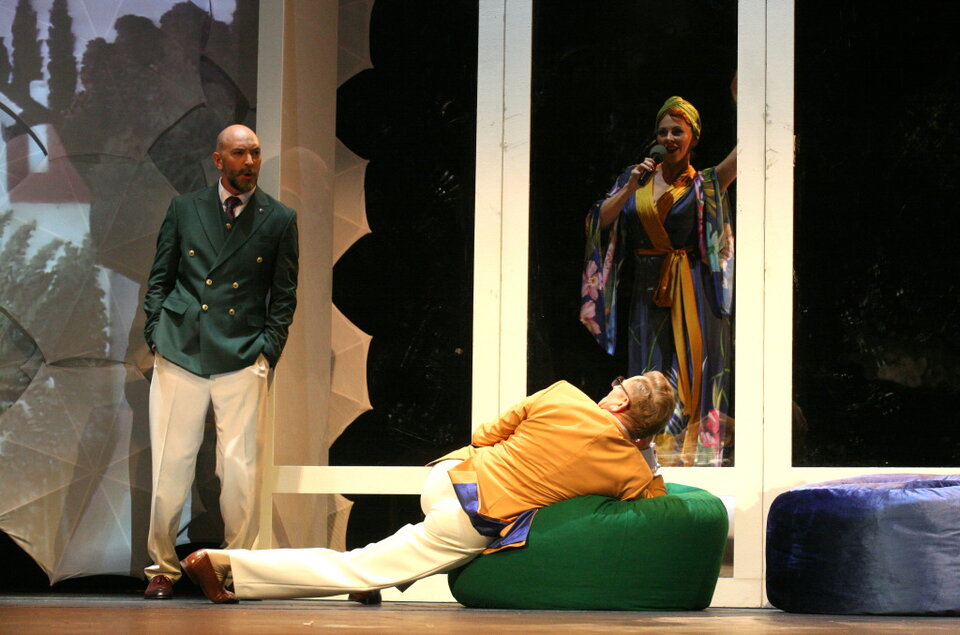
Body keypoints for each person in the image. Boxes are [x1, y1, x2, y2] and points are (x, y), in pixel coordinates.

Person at [178, 372, 675, 604]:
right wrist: (644, 451)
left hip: (450, 476)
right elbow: (655, 504)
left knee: (390, 556)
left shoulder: (562, 396)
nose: (609, 388)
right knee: (357, 564)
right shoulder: (631, 471)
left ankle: (374, 581)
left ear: (618, 402)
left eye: (617, 386)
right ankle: (225, 567)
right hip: (474, 516)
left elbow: (483, 435)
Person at [141, 124, 299, 599]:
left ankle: (235, 567)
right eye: (239, 153)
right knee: (170, 467)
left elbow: (284, 294)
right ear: (218, 160)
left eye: (255, 153)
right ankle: (162, 569)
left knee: (240, 471)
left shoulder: (279, 218)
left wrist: (268, 350)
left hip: (242, 351)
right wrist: (156, 332)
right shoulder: (184, 208)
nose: (249, 162)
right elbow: (160, 277)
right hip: (181, 347)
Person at [580, 94, 736, 467]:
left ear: (693, 137)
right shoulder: (634, 179)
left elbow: (744, 154)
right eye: (663, 131)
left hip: (694, 290)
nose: (668, 138)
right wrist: (630, 187)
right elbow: (598, 222)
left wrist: (741, 101)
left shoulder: (704, 184)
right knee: (649, 372)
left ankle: (696, 458)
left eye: (677, 131)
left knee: (692, 369)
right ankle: (650, 456)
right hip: (646, 292)